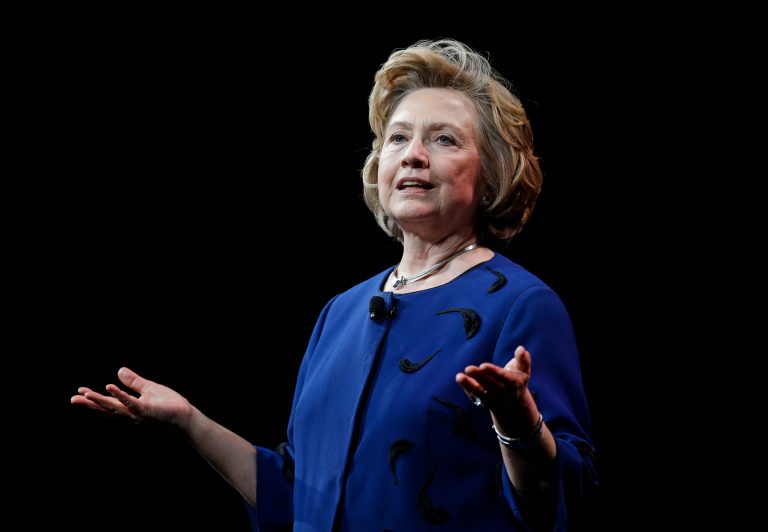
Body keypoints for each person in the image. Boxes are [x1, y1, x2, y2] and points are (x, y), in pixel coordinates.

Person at [71, 39, 597, 531]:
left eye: (444, 139)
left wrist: (519, 423)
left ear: (490, 178)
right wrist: (190, 421)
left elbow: (559, 501)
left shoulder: (521, 306)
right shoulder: (341, 312)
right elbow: (296, 494)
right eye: (398, 138)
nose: (413, 154)